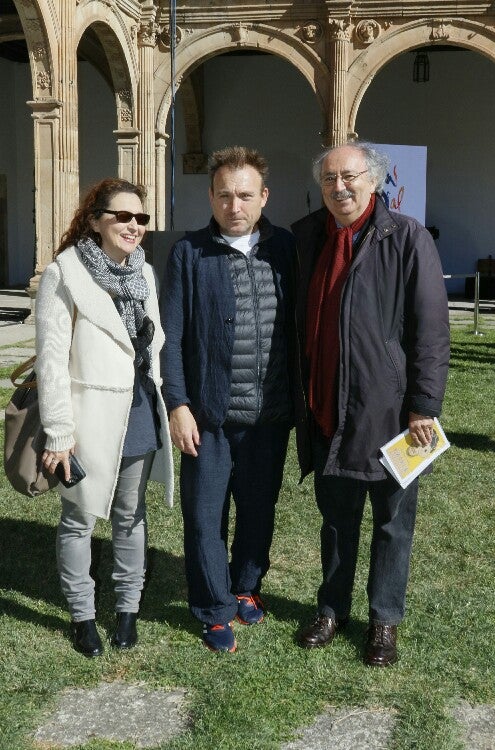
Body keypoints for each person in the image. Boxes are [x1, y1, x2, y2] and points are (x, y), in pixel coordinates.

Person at [292, 141, 449, 666]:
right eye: (330, 178)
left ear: (375, 179)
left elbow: (430, 330)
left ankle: (384, 621)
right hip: (326, 408)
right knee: (336, 520)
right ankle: (331, 609)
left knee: (392, 521)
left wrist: (423, 404)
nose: (340, 187)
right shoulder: (308, 235)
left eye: (350, 176)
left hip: (392, 414)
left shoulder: (406, 237)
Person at [160, 146, 295, 653]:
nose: (234, 205)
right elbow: (171, 338)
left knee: (259, 509)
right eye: (224, 195)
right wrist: (178, 404)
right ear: (211, 197)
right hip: (209, 417)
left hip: (270, 414)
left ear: (263, 196)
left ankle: (245, 586)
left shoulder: (284, 247)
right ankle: (214, 607)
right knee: (203, 516)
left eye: (244, 195)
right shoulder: (189, 252)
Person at [35, 178, 174, 657]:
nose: (133, 226)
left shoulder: (144, 273)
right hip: (85, 416)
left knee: (130, 515)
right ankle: (83, 615)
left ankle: (128, 610)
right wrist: (58, 433)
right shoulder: (65, 273)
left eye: (141, 218)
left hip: (137, 411)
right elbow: (51, 360)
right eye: (123, 216)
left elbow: (153, 344)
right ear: (96, 221)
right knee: (78, 519)